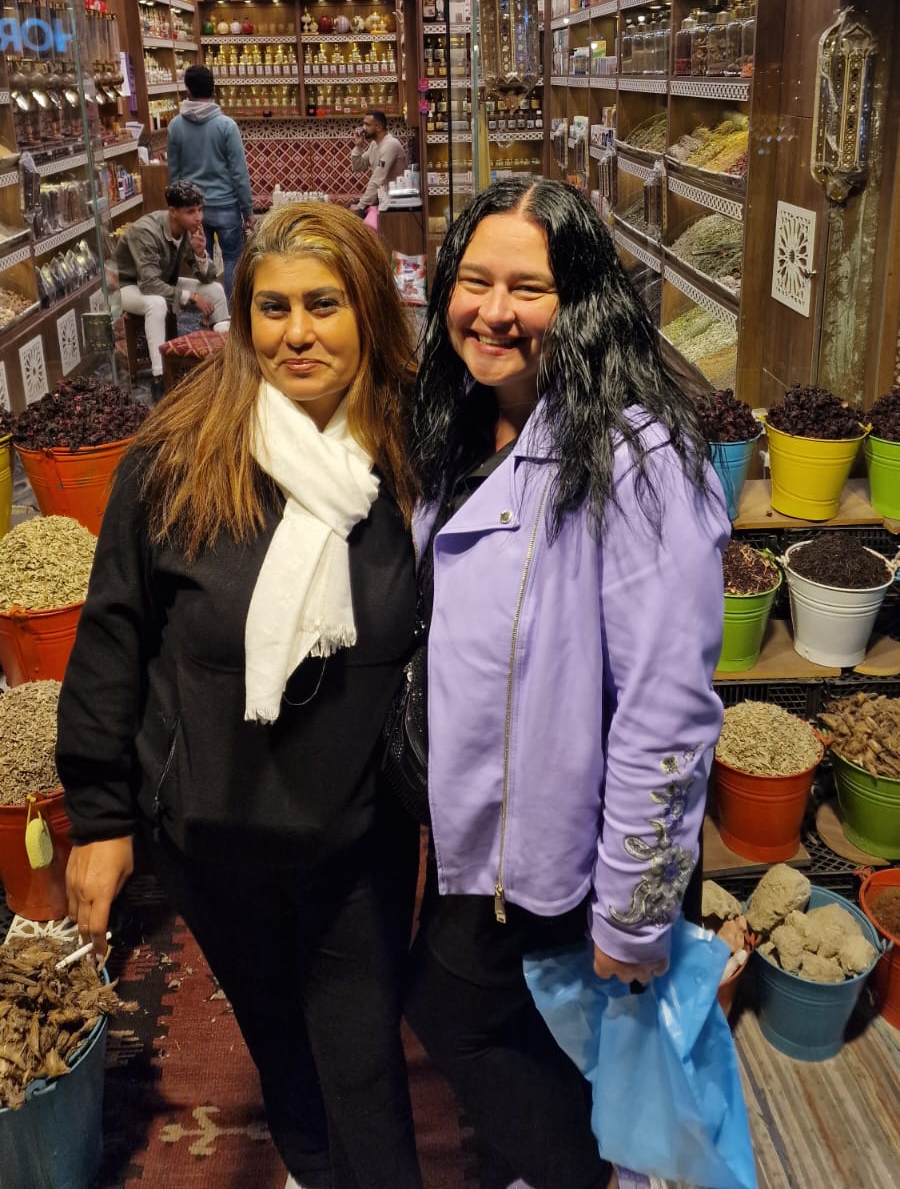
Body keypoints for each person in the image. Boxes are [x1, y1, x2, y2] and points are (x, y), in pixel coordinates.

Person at [57, 203, 423, 1189]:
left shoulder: (413, 461)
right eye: (273, 306)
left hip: (355, 842)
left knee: (364, 1066)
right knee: (278, 1037)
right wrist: (102, 816)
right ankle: (309, 1164)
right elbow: (113, 638)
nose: (297, 332)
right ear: (243, 315)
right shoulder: (176, 462)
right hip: (213, 833)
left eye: (324, 304)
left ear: (369, 312)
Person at [404, 178, 729, 1189]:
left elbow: (668, 707)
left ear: (581, 302)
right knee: (536, 1031)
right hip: (493, 840)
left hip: (566, 854)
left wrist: (633, 912)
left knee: (457, 1013)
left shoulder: (636, 459)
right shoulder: (469, 420)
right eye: (474, 281)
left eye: (528, 288)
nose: (493, 310)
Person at [117, 179, 229, 397]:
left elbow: (207, 277)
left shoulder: (188, 230)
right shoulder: (146, 231)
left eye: (200, 210)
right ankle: (160, 377)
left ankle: (223, 357)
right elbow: (149, 284)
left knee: (214, 290)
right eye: (191, 212)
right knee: (157, 304)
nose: (198, 217)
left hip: (163, 282)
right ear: (173, 212)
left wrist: (200, 254)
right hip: (129, 286)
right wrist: (192, 297)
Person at [167, 64, 253, 296]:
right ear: (213, 89)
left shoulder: (175, 126)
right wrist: (248, 210)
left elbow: (174, 174)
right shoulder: (226, 126)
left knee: (199, 259)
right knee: (233, 258)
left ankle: (208, 308)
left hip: (192, 209)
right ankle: (230, 310)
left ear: (188, 90)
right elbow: (239, 173)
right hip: (226, 204)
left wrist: (176, 210)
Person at [349, 109, 408, 215]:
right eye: (363, 124)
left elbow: (377, 179)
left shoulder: (390, 144)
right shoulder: (374, 144)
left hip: (394, 201)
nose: (363, 128)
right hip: (382, 198)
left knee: (354, 213)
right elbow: (357, 167)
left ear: (378, 128)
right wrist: (358, 147)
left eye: (367, 125)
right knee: (347, 209)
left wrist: (361, 205)